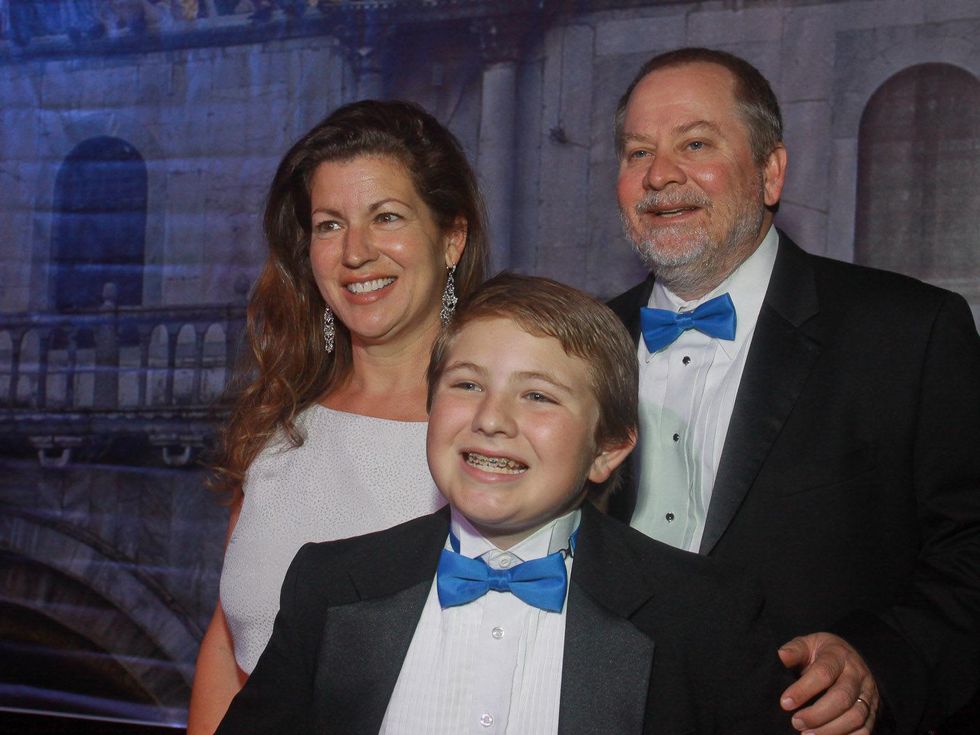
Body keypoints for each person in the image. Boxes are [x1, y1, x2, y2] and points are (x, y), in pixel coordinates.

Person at [214, 273, 794, 734]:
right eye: (467, 385)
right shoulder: (330, 585)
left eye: (538, 395)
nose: (491, 419)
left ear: (606, 450)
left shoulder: (700, 616)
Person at [607, 47, 980, 735]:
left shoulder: (909, 333)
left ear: (771, 172)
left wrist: (881, 659)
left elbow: (970, 550)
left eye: (696, 143)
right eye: (638, 152)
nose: (660, 175)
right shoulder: (574, 346)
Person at [186, 99, 489, 734]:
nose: (355, 252)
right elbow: (228, 640)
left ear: (451, 238)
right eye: (329, 225)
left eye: (387, 216)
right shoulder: (278, 422)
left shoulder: (492, 433)